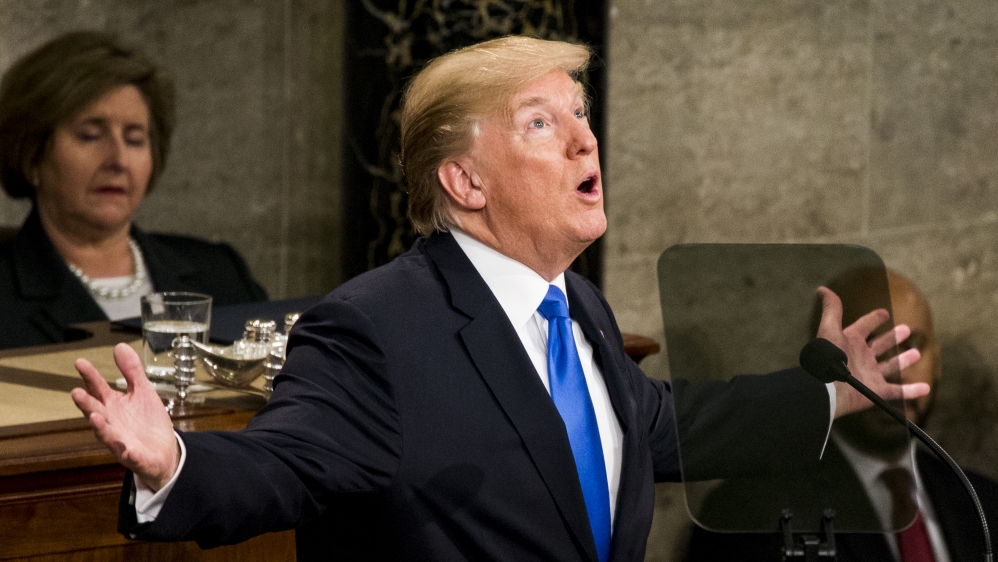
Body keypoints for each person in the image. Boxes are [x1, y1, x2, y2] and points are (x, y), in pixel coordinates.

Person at [70, 36, 927, 562]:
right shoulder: (374, 328)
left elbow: (657, 425)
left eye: (581, 113)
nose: (586, 140)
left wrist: (832, 393)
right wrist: (173, 463)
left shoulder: (579, 308)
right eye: (541, 123)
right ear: (466, 181)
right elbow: (287, 465)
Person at [684, 269, 998, 562]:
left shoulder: (983, 501)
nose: (896, 372)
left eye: (911, 347)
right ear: (820, 366)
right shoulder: (749, 513)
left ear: (938, 362)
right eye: (869, 348)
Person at [0, 31, 266, 350]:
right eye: (90, 135)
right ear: (31, 154)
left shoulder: (220, 272)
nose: (118, 160)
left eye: (135, 139)